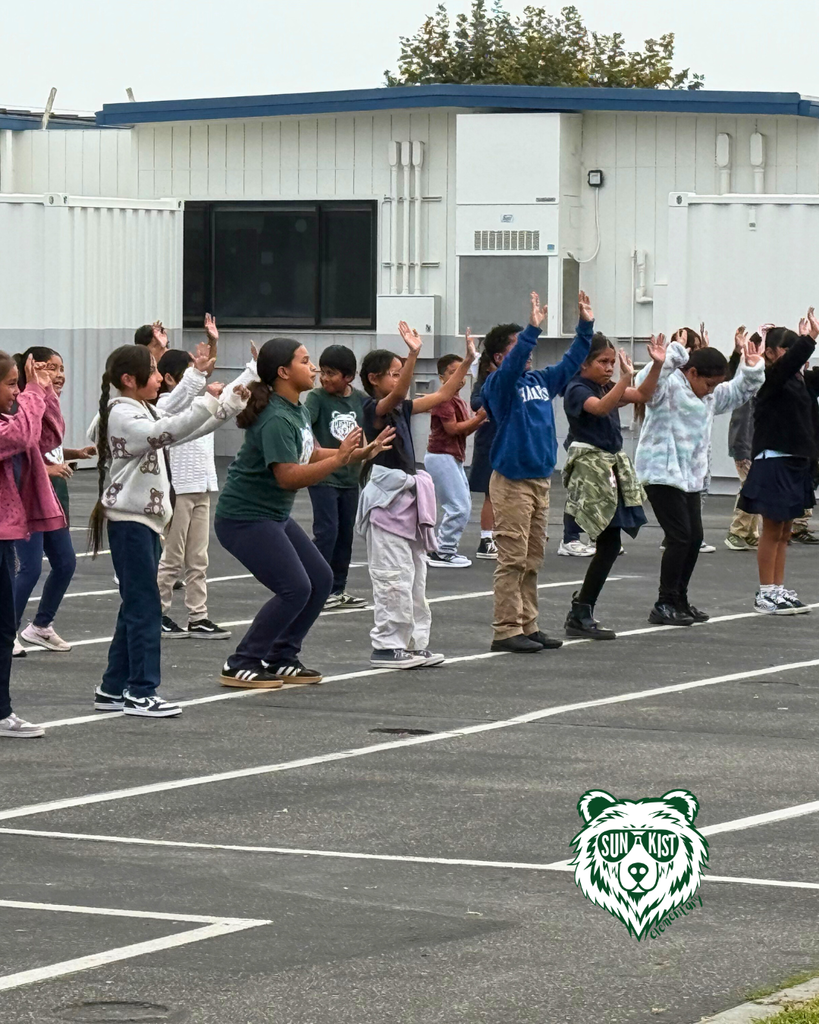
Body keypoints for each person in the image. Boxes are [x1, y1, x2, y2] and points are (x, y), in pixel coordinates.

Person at [216, 339, 393, 688]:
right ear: (284, 372)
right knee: (295, 587)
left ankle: (283, 656)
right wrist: (339, 461)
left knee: (321, 580)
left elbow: (309, 453)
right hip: (244, 518)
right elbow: (288, 477)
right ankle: (242, 661)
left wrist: (357, 453)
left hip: (272, 516)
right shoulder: (276, 418)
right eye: (305, 361)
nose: (313, 368)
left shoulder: (294, 408)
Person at [88, 343, 251, 718]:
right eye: (154, 370)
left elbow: (182, 430)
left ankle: (113, 687)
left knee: (135, 606)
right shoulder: (123, 415)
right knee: (145, 609)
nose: (160, 377)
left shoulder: (139, 407)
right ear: (129, 379)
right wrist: (210, 399)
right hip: (129, 522)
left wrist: (228, 405)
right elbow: (169, 428)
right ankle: (141, 691)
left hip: (141, 522)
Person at [480, 290, 595, 654]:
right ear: (501, 356)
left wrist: (586, 326)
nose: (528, 351)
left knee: (532, 560)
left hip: (540, 480)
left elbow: (572, 361)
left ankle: (528, 625)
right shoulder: (498, 386)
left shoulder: (540, 381)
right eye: (519, 347)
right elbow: (512, 367)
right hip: (512, 481)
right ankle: (505, 629)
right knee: (511, 558)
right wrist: (531, 328)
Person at [358, 323, 476, 668]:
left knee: (414, 577)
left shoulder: (402, 409)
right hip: (387, 503)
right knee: (392, 576)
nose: (399, 380)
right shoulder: (373, 409)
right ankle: (386, 644)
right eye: (392, 374)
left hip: (409, 503)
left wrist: (468, 361)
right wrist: (412, 354)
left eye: (400, 373)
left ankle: (412, 642)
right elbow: (397, 395)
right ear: (373, 379)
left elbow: (444, 394)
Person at [635, 332, 765, 626]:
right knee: (679, 537)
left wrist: (752, 369)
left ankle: (680, 599)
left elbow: (737, 392)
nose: (711, 391)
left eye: (715, 386)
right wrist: (671, 356)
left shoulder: (709, 395)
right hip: (661, 472)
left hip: (691, 477)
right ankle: (664, 602)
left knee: (693, 539)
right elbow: (645, 386)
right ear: (691, 372)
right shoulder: (668, 387)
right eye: (708, 384)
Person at [561, 333, 666, 639]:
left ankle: (582, 609)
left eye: (611, 362)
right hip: (591, 466)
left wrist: (656, 365)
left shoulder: (606, 385)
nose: (609, 367)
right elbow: (601, 408)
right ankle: (581, 611)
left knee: (609, 545)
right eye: (602, 362)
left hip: (608, 464)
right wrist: (624, 378)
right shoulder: (577, 389)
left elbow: (642, 395)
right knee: (607, 542)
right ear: (584, 363)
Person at [155, 332, 256, 639]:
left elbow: (224, 403)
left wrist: (251, 372)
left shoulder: (200, 403)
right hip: (178, 489)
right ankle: (156, 611)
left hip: (201, 485)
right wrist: (200, 378)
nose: (198, 375)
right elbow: (179, 404)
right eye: (190, 370)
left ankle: (198, 615)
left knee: (198, 558)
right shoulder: (164, 405)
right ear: (171, 379)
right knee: (172, 557)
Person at [12, 348, 95, 656]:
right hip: (27, 501)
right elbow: (22, 447)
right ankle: (7, 630)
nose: (58, 374)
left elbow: (50, 444)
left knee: (65, 562)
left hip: (51, 500)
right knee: (30, 569)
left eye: (61, 368)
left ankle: (40, 626)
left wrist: (74, 454)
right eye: (50, 368)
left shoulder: (45, 401)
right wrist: (47, 469)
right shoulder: (25, 402)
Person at [0, 351, 66, 737]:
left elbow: (47, 434)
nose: (15, 391)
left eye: (15, 382)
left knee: (4, 626)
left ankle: (2, 711)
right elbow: (21, 434)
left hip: (5, 537)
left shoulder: (13, 414)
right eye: (10, 383)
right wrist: (30, 394)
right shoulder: (10, 424)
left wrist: (40, 392)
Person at [737, 312, 819, 614]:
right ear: (770, 353)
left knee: (785, 531)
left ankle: (779, 589)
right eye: (785, 349)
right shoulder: (768, 378)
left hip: (796, 460)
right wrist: (809, 339)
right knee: (772, 529)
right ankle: (765, 592)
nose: (789, 355)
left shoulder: (799, 380)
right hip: (773, 460)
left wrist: (805, 345)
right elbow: (787, 365)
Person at [304, 344, 368, 610]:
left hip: (350, 479)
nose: (324, 378)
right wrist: (320, 455)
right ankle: (315, 587)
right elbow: (305, 428)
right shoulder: (317, 398)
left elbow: (368, 432)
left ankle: (337, 590)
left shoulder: (361, 400)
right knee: (327, 533)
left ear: (349, 377)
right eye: (323, 371)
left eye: (332, 373)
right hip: (324, 477)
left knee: (345, 535)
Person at [424, 347, 486, 568]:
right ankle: (443, 551)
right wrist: (479, 418)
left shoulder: (458, 400)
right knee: (458, 506)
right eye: (452, 371)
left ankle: (444, 549)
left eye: (461, 370)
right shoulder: (444, 400)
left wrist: (477, 420)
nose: (458, 375)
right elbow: (452, 429)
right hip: (441, 456)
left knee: (462, 504)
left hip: (450, 456)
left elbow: (463, 430)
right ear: (442, 378)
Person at [725, 333, 761, 552]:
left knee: (755, 486)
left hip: (753, 443)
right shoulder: (749, 377)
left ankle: (749, 532)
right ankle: (737, 531)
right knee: (750, 487)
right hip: (744, 442)